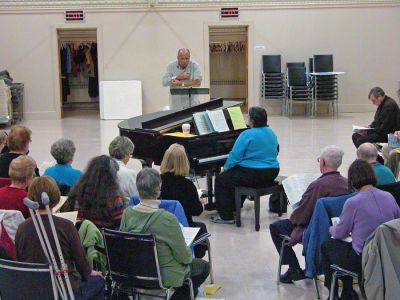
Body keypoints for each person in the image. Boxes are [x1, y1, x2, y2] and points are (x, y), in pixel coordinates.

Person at [120, 168, 210, 300]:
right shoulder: (167, 219)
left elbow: (124, 245)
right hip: (163, 275)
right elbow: (185, 257)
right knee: (203, 266)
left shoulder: (127, 213)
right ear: (158, 188)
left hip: (136, 272)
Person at [15, 176, 105, 300]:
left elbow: (20, 260)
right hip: (64, 290)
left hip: (34, 290)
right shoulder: (66, 226)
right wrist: (88, 272)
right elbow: (80, 261)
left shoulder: (22, 228)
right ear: (56, 198)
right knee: (99, 282)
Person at [321, 159, 400, 299]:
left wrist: (331, 228)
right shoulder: (389, 196)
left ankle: (338, 292)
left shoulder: (353, 203)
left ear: (352, 179)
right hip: (390, 254)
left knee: (327, 246)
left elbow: (340, 233)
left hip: (365, 257)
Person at [270, 145, 349, 284]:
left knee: (276, 227)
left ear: (323, 162)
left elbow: (300, 217)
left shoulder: (317, 185)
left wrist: (296, 207)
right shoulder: (347, 183)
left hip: (316, 230)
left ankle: (294, 268)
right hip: (338, 227)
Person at [212, 106, 280, 223]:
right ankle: (234, 207)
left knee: (221, 180)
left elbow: (235, 156)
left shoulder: (247, 134)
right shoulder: (271, 132)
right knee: (237, 177)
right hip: (272, 172)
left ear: (252, 120)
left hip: (254, 174)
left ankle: (226, 216)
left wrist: (225, 168)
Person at [160, 143, 208, 258]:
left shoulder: (159, 182)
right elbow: (197, 211)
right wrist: (201, 202)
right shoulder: (187, 185)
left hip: (162, 226)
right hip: (183, 227)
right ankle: (197, 256)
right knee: (201, 227)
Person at [68, 155, 125, 229]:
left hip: (82, 236)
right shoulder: (113, 198)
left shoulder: (79, 192)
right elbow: (120, 223)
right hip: (106, 238)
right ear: (111, 176)